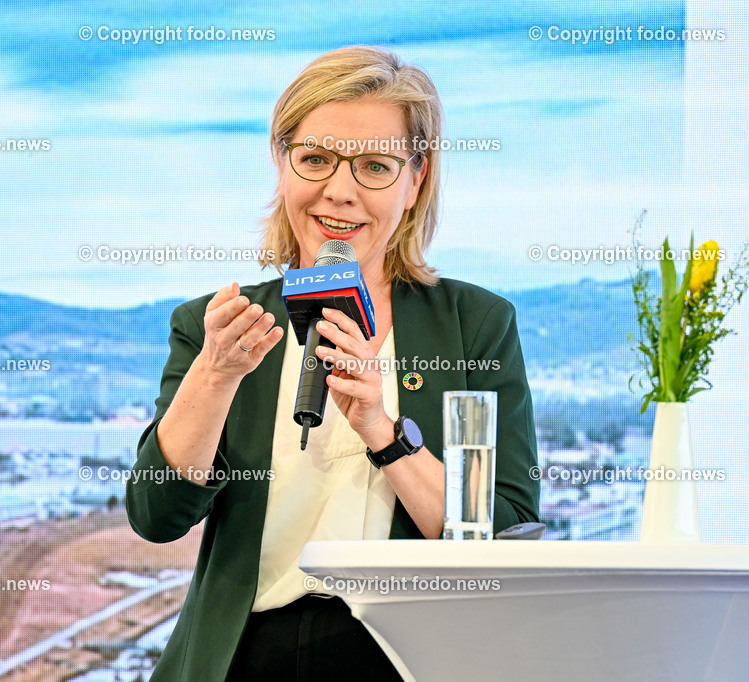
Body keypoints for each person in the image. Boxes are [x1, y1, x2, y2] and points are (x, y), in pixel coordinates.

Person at [125, 45, 540, 682]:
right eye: (315, 159)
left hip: (407, 658)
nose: (339, 192)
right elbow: (157, 517)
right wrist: (215, 376)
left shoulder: (473, 326)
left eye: (374, 166)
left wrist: (382, 428)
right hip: (243, 657)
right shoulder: (217, 324)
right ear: (281, 163)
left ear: (416, 181)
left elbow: (499, 534)